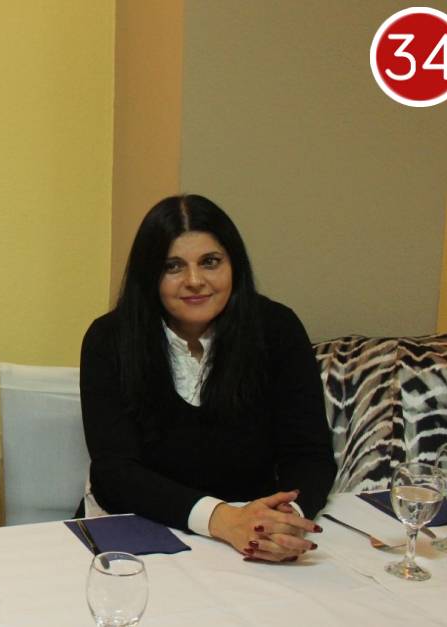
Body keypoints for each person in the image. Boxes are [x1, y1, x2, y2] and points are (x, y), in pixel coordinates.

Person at [78, 194, 335, 562]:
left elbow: (309, 454)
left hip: (251, 532)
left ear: (234, 264)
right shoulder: (109, 338)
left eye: (210, 262)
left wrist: (284, 520)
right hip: (139, 529)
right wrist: (221, 520)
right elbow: (115, 472)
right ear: (149, 274)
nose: (194, 281)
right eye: (173, 267)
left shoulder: (277, 329)